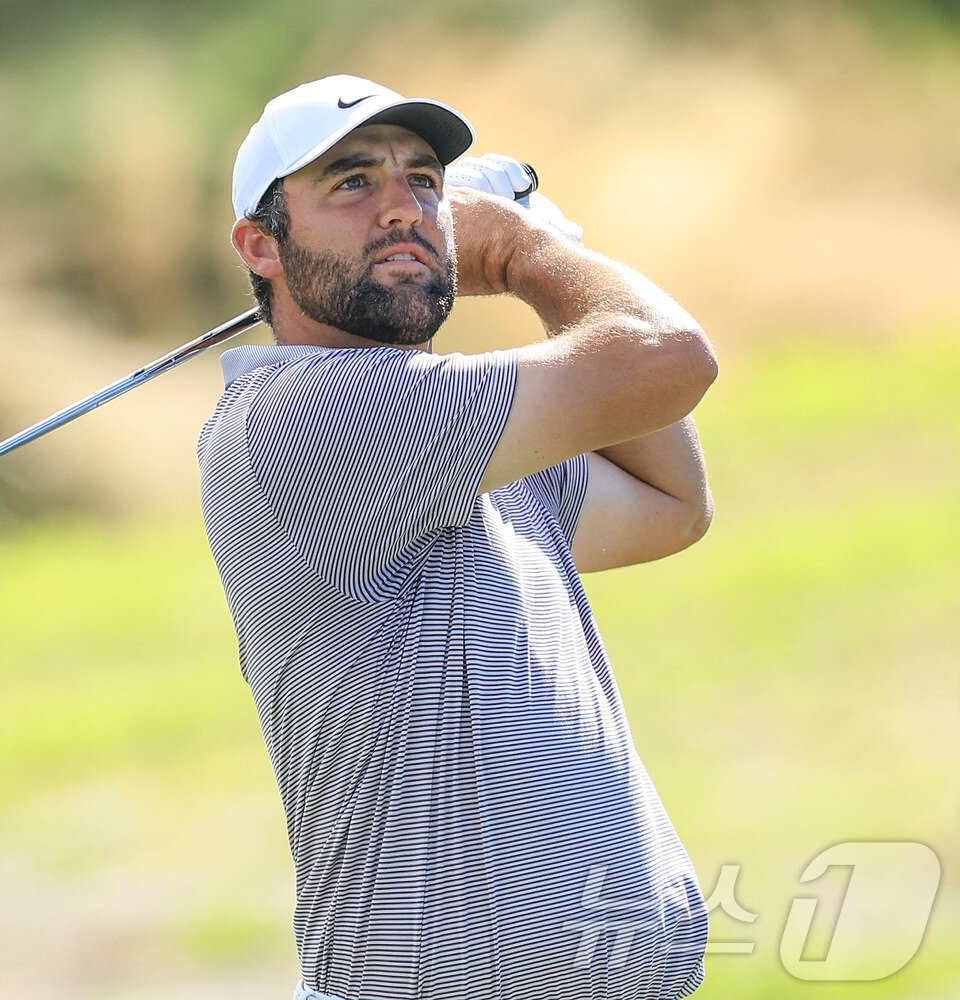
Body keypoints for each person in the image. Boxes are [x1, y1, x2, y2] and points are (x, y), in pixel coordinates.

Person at [197, 74, 718, 1000]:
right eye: (353, 184)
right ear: (261, 246)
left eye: (426, 183)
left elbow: (670, 504)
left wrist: (546, 273)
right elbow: (667, 359)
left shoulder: (457, 435)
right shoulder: (311, 417)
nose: (403, 209)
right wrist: (528, 251)